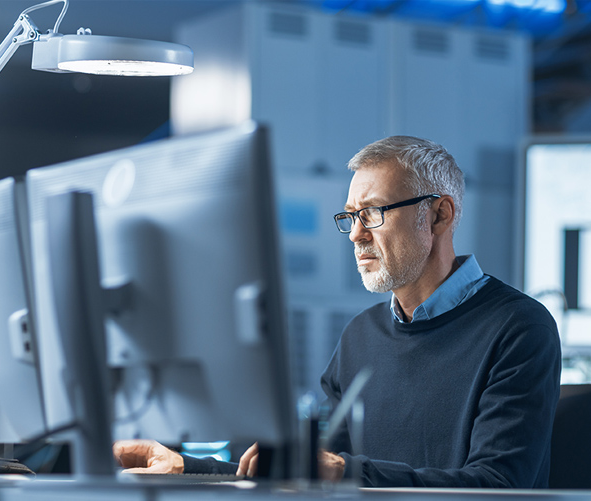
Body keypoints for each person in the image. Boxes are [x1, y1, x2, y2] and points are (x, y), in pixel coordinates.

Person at [113, 135, 562, 488]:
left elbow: (499, 485)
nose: (355, 235)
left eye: (373, 213)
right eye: (351, 216)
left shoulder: (519, 328)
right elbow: (305, 469)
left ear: (440, 216)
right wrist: (186, 468)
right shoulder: (361, 335)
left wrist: (345, 471)